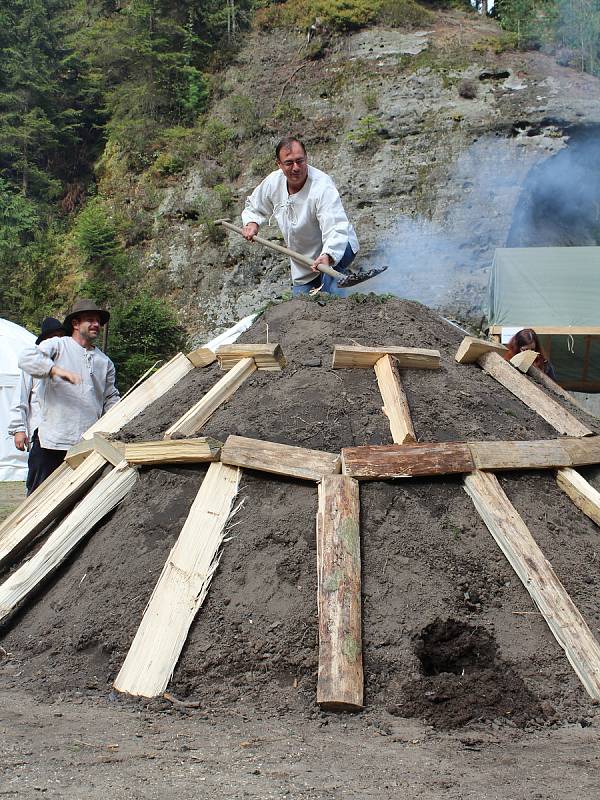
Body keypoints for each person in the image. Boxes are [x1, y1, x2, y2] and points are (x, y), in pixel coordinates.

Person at [18, 299, 120, 490]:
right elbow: (26, 358)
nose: (96, 325)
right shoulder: (58, 345)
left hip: (85, 444)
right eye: (90, 320)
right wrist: (56, 371)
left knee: (74, 503)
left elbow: (110, 398)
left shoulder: (104, 362)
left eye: (98, 321)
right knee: (39, 499)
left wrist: (124, 415)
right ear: (75, 323)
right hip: (52, 441)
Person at [241, 136, 359, 295]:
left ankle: (343, 306)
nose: (296, 167)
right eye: (289, 163)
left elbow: (335, 226)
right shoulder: (273, 183)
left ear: (306, 158)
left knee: (329, 292)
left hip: (337, 247)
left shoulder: (322, 186)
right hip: (303, 263)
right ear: (279, 164)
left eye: (300, 161)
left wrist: (328, 256)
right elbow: (254, 206)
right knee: (300, 304)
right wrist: (252, 223)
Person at [8, 317, 66, 494]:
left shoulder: (70, 366)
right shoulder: (33, 367)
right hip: (41, 435)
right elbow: (20, 399)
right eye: (52, 337)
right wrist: (18, 429)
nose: (56, 341)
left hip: (66, 436)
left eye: (60, 337)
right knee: (38, 485)